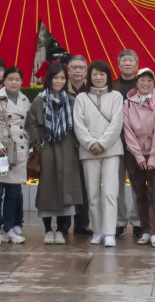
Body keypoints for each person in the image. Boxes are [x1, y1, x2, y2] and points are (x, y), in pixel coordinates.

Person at [26, 62, 84, 245]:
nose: (59, 81)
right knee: (47, 189)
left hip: (67, 148)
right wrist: (38, 145)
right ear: (48, 79)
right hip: (47, 148)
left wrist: (75, 145)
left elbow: (80, 124)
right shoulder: (39, 101)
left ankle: (61, 230)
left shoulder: (72, 100)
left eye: (62, 78)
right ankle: (47, 230)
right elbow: (31, 123)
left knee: (67, 190)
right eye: (55, 77)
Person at [73, 60, 124, 248]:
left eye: (102, 74)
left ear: (108, 76)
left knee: (110, 193)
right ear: (89, 76)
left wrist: (102, 143)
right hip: (88, 151)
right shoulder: (81, 98)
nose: (99, 77)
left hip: (111, 151)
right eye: (95, 74)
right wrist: (90, 143)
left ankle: (110, 232)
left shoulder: (116, 96)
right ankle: (97, 231)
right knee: (93, 194)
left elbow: (117, 124)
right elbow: (78, 124)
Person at [0, 66, 31, 245]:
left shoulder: (25, 100)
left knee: (12, 193)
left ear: (22, 82)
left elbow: (27, 126)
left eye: (17, 79)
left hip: (18, 153)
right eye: (10, 79)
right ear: (4, 81)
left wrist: (28, 145)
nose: (14, 82)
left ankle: (9, 229)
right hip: (0, 152)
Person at [123, 68, 155, 248]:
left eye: (149, 80)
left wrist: (153, 158)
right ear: (136, 83)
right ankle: (145, 231)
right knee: (140, 195)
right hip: (134, 155)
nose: (146, 83)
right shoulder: (127, 104)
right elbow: (128, 131)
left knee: (154, 195)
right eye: (142, 80)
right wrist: (139, 156)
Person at [112, 49, 142, 238]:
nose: (128, 63)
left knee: (138, 184)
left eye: (131, 61)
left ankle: (138, 221)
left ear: (137, 65)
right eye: (124, 61)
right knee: (116, 185)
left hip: (137, 143)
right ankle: (119, 221)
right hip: (115, 141)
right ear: (119, 64)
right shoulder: (111, 85)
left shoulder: (143, 84)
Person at [66, 55, 92, 236]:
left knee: (85, 183)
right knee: (66, 184)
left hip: (87, 142)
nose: (77, 70)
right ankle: (64, 223)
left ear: (86, 71)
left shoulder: (92, 90)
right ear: (68, 70)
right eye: (74, 67)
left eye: (81, 67)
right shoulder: (60, 87)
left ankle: (82, 223)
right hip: (66, 143)